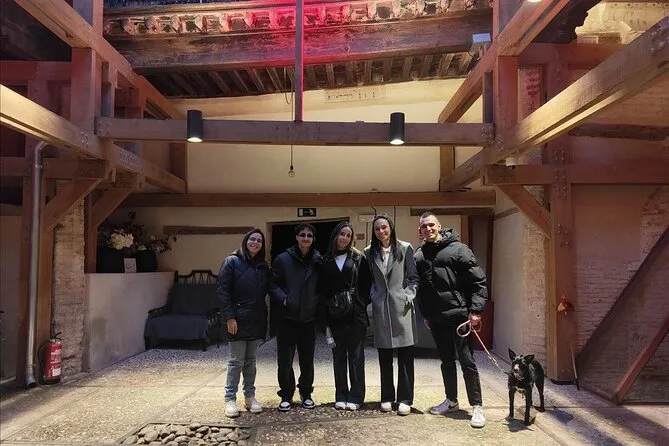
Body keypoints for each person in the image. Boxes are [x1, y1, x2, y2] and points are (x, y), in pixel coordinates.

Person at [414, 212, 488, 428]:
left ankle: (477, 406)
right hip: (437, 318)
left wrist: (475, 311)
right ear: (420, 230)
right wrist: (426, 314)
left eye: (431, 225)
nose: (428, 229)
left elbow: (478, 281)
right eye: (424, 226)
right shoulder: (420, 255)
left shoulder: (459, 249)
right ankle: (451, 400)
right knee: (446, 361)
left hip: (459, 316)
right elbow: (422, 288)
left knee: (467, 362)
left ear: (439, 226)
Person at [364, 214, 419, 416]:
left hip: (401, 308)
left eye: (384, 227)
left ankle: (405, 398)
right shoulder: (369, 252)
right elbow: (369, 279)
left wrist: (407, 296)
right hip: (381, 308)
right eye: (377, 229)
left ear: (391, 228)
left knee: (405, 356)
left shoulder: (405, 248)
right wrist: (374, 295)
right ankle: (387, 396)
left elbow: (414, 277)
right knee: (384, 356)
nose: (381, 231)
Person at [216, 228, 270, 418]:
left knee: (251, 361)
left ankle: (250, 397)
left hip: (256, 319)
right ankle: (230, 399)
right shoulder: (231, 262)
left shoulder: (263, 266)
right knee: (236, 361)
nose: (255, 243)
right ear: (245, 241)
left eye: (259, 241)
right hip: (237, 320)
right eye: (252, 239)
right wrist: (229, 317)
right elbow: (223, 292)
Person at [269, 223, 322, 412]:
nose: (306, 238)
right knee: (285, 361)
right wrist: (284, 299)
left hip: (308, 319)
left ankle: (306, 393)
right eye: (302, 235)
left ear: (313, 239)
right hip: (287, 318)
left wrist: (316, 302)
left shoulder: (318, 260)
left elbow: (322, 286)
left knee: (307, 361)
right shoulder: (283, 259)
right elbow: (273, 284)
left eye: (309, 235)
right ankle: (286, 394)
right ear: (297, 237)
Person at [320, 221, 371, 411]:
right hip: (334, 313)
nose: (345, 238)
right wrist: (326, 315)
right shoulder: (325, 260)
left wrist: (360, 303)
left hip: (355, 314)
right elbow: (322, 289)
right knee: (338, 356)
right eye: (342, 234)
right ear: (335, 235)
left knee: (356, 357)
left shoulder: (358, 258)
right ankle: (341, 394)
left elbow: (366, 284)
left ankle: (356, 395)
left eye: (348, 235)